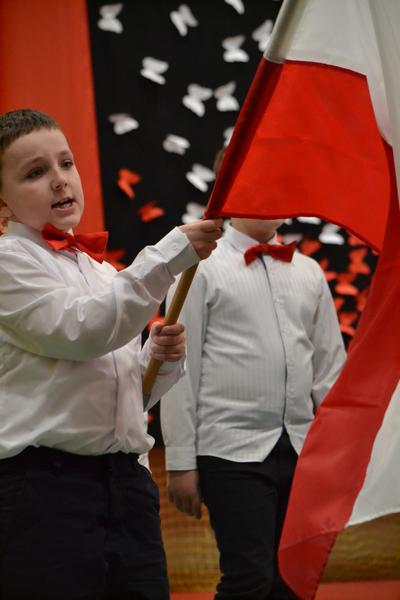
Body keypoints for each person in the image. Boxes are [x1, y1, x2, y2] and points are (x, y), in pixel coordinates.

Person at [0, 108, 222, 600]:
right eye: (35, 172)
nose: (60, 180)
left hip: (127, 485)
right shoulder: (6, 263)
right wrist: (167, 256)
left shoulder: (102, 273)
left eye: (66, 163)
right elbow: (81, 331)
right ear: (2, 202)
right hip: (45, 491)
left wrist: (158, 361)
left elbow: (127, 397)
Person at [161, 216, 346, 600]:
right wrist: (179, 461)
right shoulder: (199, 267)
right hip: (228, 448)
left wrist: (338, 453)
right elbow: (179, 369)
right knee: (249, 579)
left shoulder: (309, 271)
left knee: (294, 579)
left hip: (302, 448)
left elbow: (330, 369)